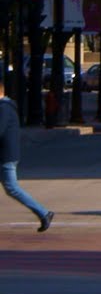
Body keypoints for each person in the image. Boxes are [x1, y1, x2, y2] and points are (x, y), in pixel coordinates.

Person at [0, 77, 53, 232]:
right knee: (12, 188)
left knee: (12, 188)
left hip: (6, 156)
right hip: (6, 155)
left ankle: (44, 213)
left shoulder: (4, 108)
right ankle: (44, 213)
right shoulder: (6, 107)